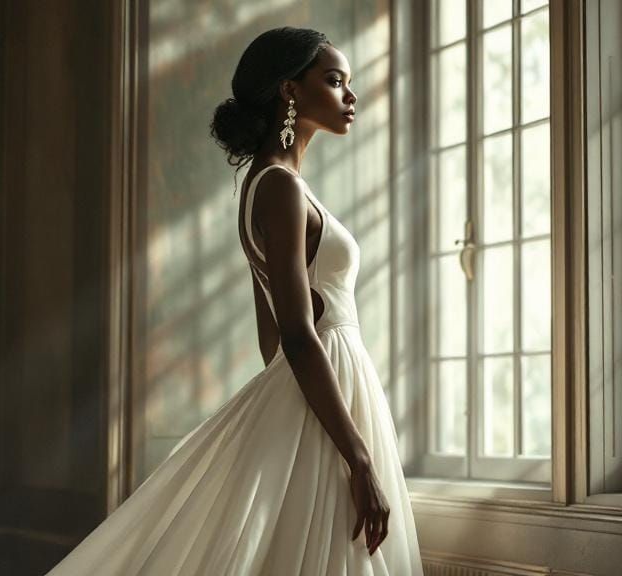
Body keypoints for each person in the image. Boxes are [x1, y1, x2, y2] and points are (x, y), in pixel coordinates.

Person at [44, 26, 424, 575]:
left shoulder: (265, 183)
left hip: (318, 392)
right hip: (328, 386)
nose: (351, 96)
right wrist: (358, 458)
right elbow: (292, 334)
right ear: (290, 91)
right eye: (335, 80)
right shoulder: (281, 188)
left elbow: (272, 338)